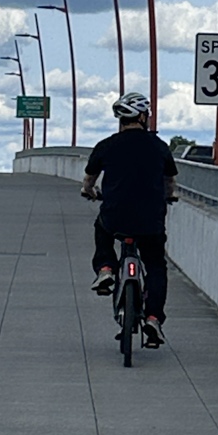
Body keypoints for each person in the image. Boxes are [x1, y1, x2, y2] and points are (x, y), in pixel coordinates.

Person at [81, 92, 178, 347]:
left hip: (115, 216)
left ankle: (105, 269)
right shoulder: (159, 146)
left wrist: (89, 191)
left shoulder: (106, 145)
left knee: (102, 228)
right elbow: (170, 182)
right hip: (150, 221)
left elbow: (89, 180)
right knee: (155, 265)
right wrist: (170, 196)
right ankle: (153, 318)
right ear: (143, 117)